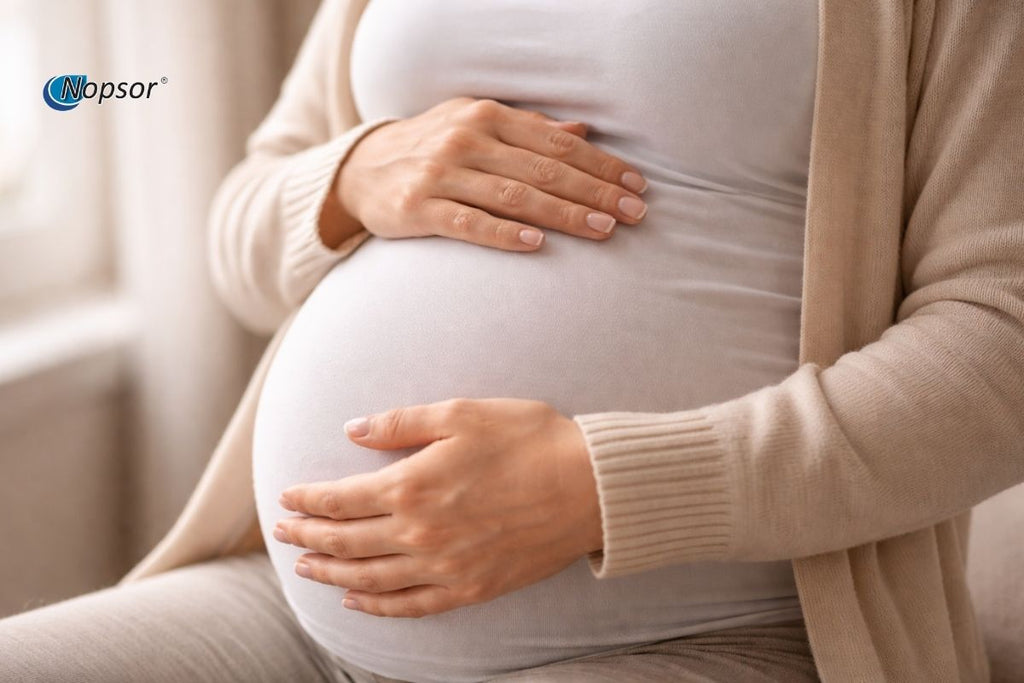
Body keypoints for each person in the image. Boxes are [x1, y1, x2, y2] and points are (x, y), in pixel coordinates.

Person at [2, 1, 1022, 682]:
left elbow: (999, 344)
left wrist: (604, 486)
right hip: (298, 604)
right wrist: (353, 176)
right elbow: (240, 236)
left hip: (702, 633)